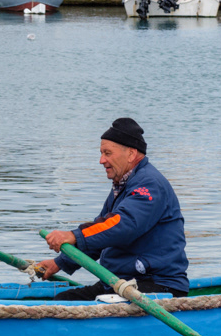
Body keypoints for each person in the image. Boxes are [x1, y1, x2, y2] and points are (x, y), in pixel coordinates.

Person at [34, 118, 189, 301]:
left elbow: (122, 225)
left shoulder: (149, 185)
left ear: (131, 154)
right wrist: (59, 263)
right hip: (122, 282)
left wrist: (75, 235)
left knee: (62, 305)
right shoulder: (123, 185)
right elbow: (100, 234)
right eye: (101, 153)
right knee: (63, 300)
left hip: (157, 285)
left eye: (107, 153)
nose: (101, 160)